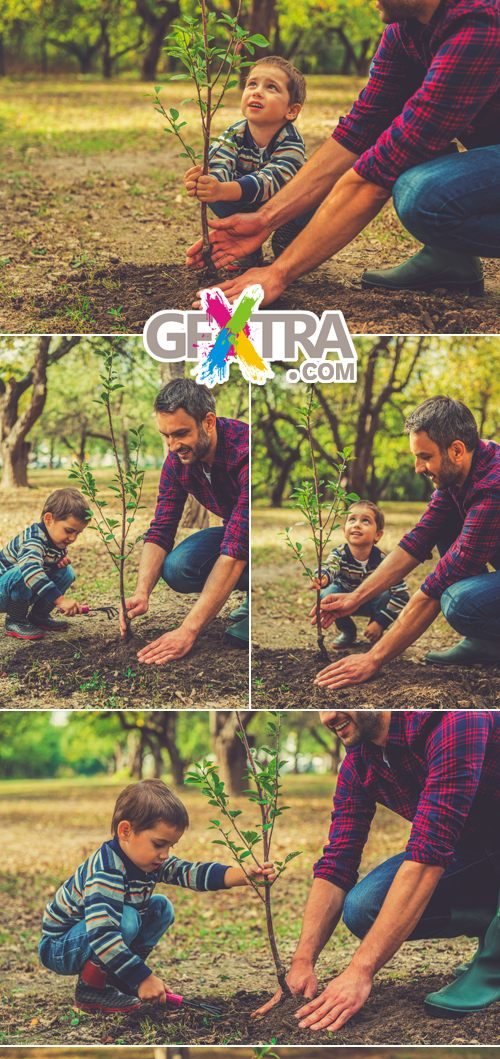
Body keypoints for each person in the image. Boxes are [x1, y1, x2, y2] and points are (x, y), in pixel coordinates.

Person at [187, 0, 500, 306]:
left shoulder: (480, 22)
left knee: (423, 195)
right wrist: (264, 219)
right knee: (401, 132)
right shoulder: (404, 29)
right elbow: (360, 130)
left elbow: (377, 175)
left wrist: (278, 273)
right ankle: (450, 259)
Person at [256, 710, 500, 1028]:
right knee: (364, 907)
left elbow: (428, 857)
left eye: (339, 702)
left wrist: (360, 971)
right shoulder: (361, 761)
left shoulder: (456, 720)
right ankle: (491, 921)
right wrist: (302, 962)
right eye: (322, 707)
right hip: (478, 847)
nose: (327, 717)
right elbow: (337, 862)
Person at [39, 778, 274, 1016]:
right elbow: (101, 934)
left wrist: (242, 875)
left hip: (92, 937)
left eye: (170, 846)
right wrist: (143, 978)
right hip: (60, 946)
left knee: (160, 907)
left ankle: (118, 980)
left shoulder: (148, 861)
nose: (165, 855)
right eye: (159, 844)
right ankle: (92, 990)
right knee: (127, 918)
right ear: (125, 831)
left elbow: (190, 872)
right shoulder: (106, 871)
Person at [313, 397, 500, 692]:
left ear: (456, 450)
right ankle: (487, 641)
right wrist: (356, 597)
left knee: (458, 600)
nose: (417, 468)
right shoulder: (457, 475)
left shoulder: (493, 487)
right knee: (443, 530)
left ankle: (489, 639)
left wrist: (373, 658)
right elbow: (418, 539)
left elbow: (441, 582)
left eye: (425, 457)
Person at [122, 378, 249, 665]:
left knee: (239, 549)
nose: (173, 445)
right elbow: (161, 528)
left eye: (180, 433)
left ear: (208, 422)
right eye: (166, 435)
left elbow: (237, 548)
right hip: (237, 532)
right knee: (178, 567)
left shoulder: (245, 452)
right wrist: (141, 593)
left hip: (269, 540)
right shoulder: (177, 460)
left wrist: (187, 631)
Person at [184, 56, 307, 262]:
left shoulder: (291, 142)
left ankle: (288, 234)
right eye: (252, 84)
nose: (257, 91)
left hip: (283, 206)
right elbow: (219, 162)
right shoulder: (235, 133)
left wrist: (224, 189)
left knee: (312, 199)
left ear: (291, 110)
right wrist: (208, 182)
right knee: (217, 196)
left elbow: (271, 180)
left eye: (271, 88)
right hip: (244, 202)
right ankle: (247, 246)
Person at [310, 499, 409, 649]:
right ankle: (348, 631)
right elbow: (330, 566)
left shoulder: (384, 561)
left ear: (377, 535)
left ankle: (375, 630)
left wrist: (380, 621)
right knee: (327, 594)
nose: (357, 524)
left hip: (372, 602)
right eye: (352, 520)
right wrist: (323, 576)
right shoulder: (340, 554)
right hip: (342, 601)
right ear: (344, 531)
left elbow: (402, 595)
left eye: (365, 521)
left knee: (387, 594)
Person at [0, 486, 89, 642]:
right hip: (3, 592)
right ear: (49, 519)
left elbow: (46, 564)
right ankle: (15, 620)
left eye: (78, 533)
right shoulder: (33, 540)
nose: (73, 538)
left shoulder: (54, 539)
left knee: (67, 572)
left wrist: (56, 564)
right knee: (26, 571)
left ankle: (39, 616)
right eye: (69, 530)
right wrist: (60, 601)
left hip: (18, 591)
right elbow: (31, 570)